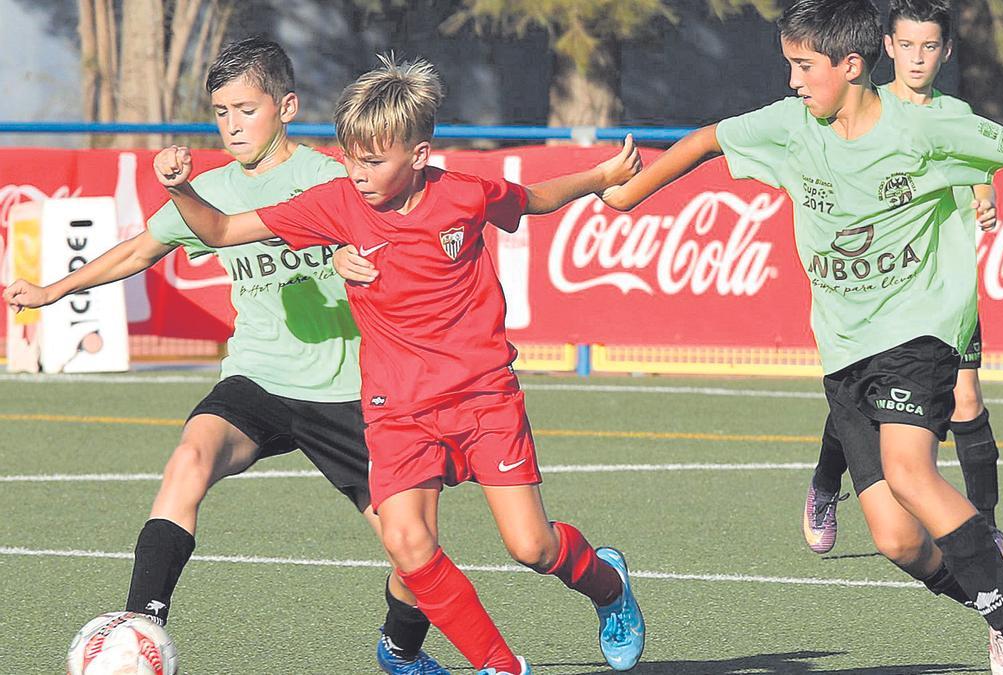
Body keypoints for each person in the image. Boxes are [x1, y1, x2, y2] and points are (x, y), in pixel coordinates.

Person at [601, 1, 1003, 672]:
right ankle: (994, 590)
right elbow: (708, 139)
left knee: (911, 472)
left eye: (803, 67)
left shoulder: (927, 127)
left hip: (921, 332)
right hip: (844, 350)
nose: (793, 82)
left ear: (850, 65)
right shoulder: (790, 128)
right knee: (896, 540)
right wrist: (630, 193)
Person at [150, 55, 647, 675]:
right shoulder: (335, 201)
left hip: (482, 395)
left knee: (531, 546)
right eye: (350, 157)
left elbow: (537, 199)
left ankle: (608, 586)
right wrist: (180, 189)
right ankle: (498, 665)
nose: (356, 174)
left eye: (373, 161)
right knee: (407, 543)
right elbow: (222, 230)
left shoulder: (463, 195)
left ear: (418, 155)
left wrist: (599, 176)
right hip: (397, 406)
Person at [3, 37, 448, 675]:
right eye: (220, 112)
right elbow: (136, 251)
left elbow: (406, 243)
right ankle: (140, 632)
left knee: (415, 550)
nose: (233, 125)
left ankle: (400, 647)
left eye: (246, 109)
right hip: (257, 380)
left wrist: (362, 268)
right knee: (188, 459)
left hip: (350, 387)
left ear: (286, 106)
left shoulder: (333, 179)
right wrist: (51, 290)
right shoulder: (208, 191)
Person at [804, 0, 1003, 563]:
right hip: (869, 299)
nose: (918, 58)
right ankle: (826, 483)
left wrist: (984, 200)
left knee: (967, 399)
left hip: (939, 297)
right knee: (859, 403)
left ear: (945, 51)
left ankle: (984, 527)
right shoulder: (860, 107)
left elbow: (981, 173)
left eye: (930, 46)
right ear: (887, 48)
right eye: (907, 45)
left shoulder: (955, 114)